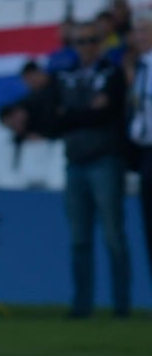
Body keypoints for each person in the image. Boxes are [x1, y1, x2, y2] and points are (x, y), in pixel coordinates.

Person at [51, 18, 130, 318]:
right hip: (76, 161)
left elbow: (110, 113)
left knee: (113, 236)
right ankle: (81, 306)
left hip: (105, 159)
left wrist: (73, 113)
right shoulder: (64, 74)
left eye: (91, 40)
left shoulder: (111, 72)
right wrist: (86, 112)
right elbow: (57, 117)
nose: (86, 47)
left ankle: (121, 306)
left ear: (101, 42)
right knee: (79, 239)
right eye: (80, 41)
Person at [126, 8, 152, 282]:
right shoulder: (140, 67)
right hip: (144, 153)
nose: (140, 36)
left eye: (145, 30)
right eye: (138, 31)